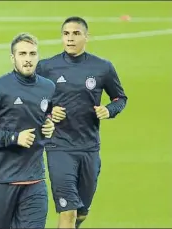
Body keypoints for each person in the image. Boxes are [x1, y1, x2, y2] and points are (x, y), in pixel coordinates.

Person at [36, 16, 128, 229]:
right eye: (66, 33)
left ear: (86, 37)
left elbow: (120, 98)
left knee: (81, 212)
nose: (70, 38)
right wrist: (49, 111)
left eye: (76, 33)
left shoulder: (103, 67)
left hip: (89, 147)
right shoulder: (47, 67)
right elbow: (32, 100)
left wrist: (109, 109)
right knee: (67, 211)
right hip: (58, 147)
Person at [0, 33, 56, 229]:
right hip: (0, 179)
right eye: (22, 54)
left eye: (32, 54)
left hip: (34, 178)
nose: (28, 59)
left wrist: (50, 123)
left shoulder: (47, 87)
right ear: (13, 58)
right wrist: (13, 138)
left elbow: (46, 114)